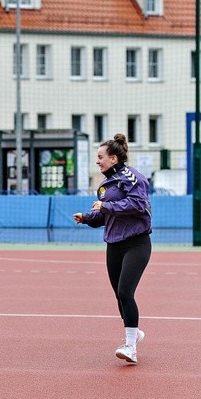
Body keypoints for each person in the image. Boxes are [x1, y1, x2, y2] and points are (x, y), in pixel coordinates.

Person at [73, 134, 152, 364]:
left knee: (126, 291)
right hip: (114, 244)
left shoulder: (132, 177)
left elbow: (138, 205)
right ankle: (133, 332)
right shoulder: (105, 184)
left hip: (137, 242)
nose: (97, 161)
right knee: (119, 294)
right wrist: (88, 217)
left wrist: (107, 206)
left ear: (114, 158)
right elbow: (104, 216)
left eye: (100, 157)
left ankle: (130, 347)